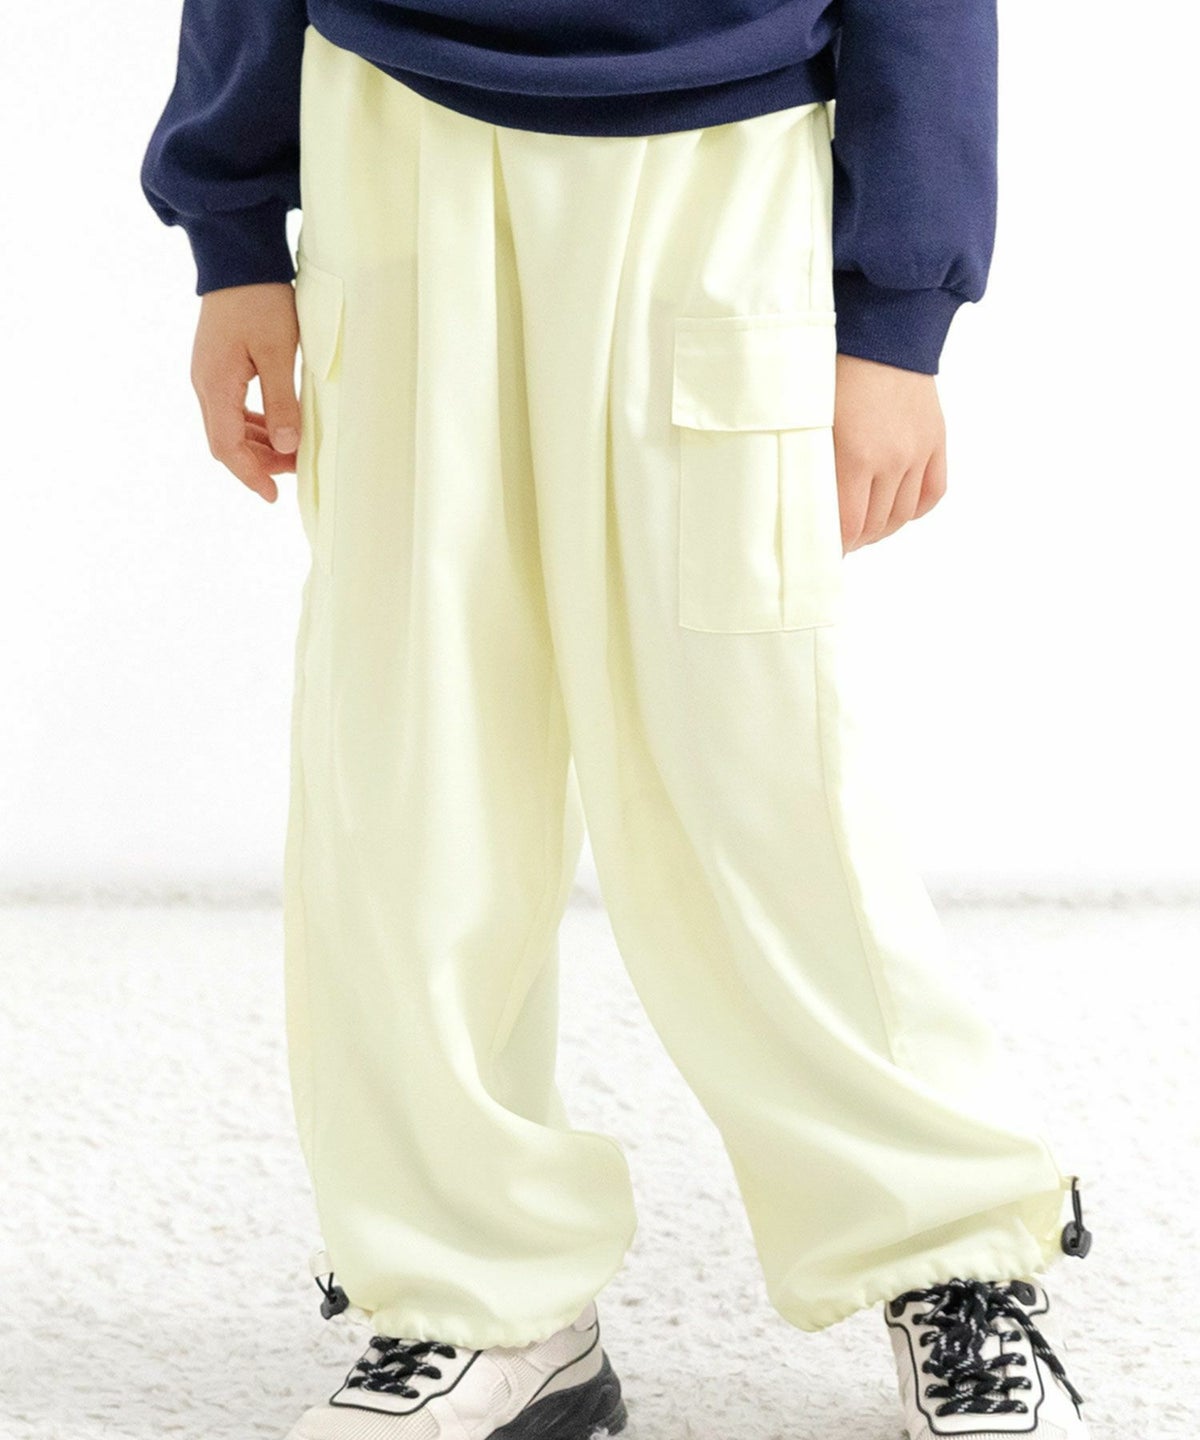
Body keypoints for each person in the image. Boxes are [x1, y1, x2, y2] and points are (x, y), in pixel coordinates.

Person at [141, 4, 1098, 1438]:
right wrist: (229, 234)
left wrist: (902, 314)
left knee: (756, 768)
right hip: (394, 135)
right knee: (410, 764)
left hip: (722, 155)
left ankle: (946, 1252)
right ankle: (477, 1297)